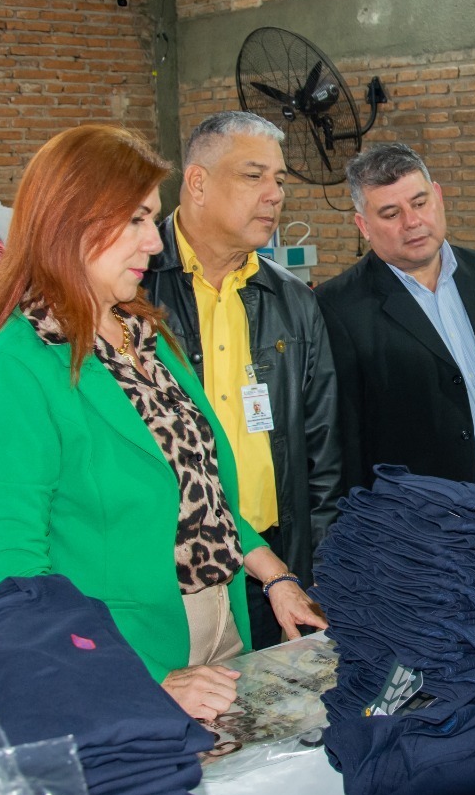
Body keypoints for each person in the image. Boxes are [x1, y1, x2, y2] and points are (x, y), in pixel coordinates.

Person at [0, 124, 325, 723]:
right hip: (128, 665)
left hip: (222, 634)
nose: (154, 243)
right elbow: (20, 582)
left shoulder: (146, 338)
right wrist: (146, 680)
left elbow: (202, 492)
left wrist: (275, 577)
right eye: (133, 221)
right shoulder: (14, 372)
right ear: (67, 223)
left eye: (152, 220)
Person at [142, 111, 342, 647]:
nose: (274, 194)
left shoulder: (292, 301)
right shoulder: (132, 290)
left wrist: (313, 566)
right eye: (254, 176)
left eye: (279, 180)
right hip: (172, 568)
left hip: (276, 568)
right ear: (198, 182)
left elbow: (321, 451)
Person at [316, 142, 475, 491]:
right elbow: (347, 442)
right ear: (364, 226)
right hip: (426, 523)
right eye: (390, 214)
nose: (412, 222)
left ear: (438, 196)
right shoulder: (339, 306)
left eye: (419, 203)